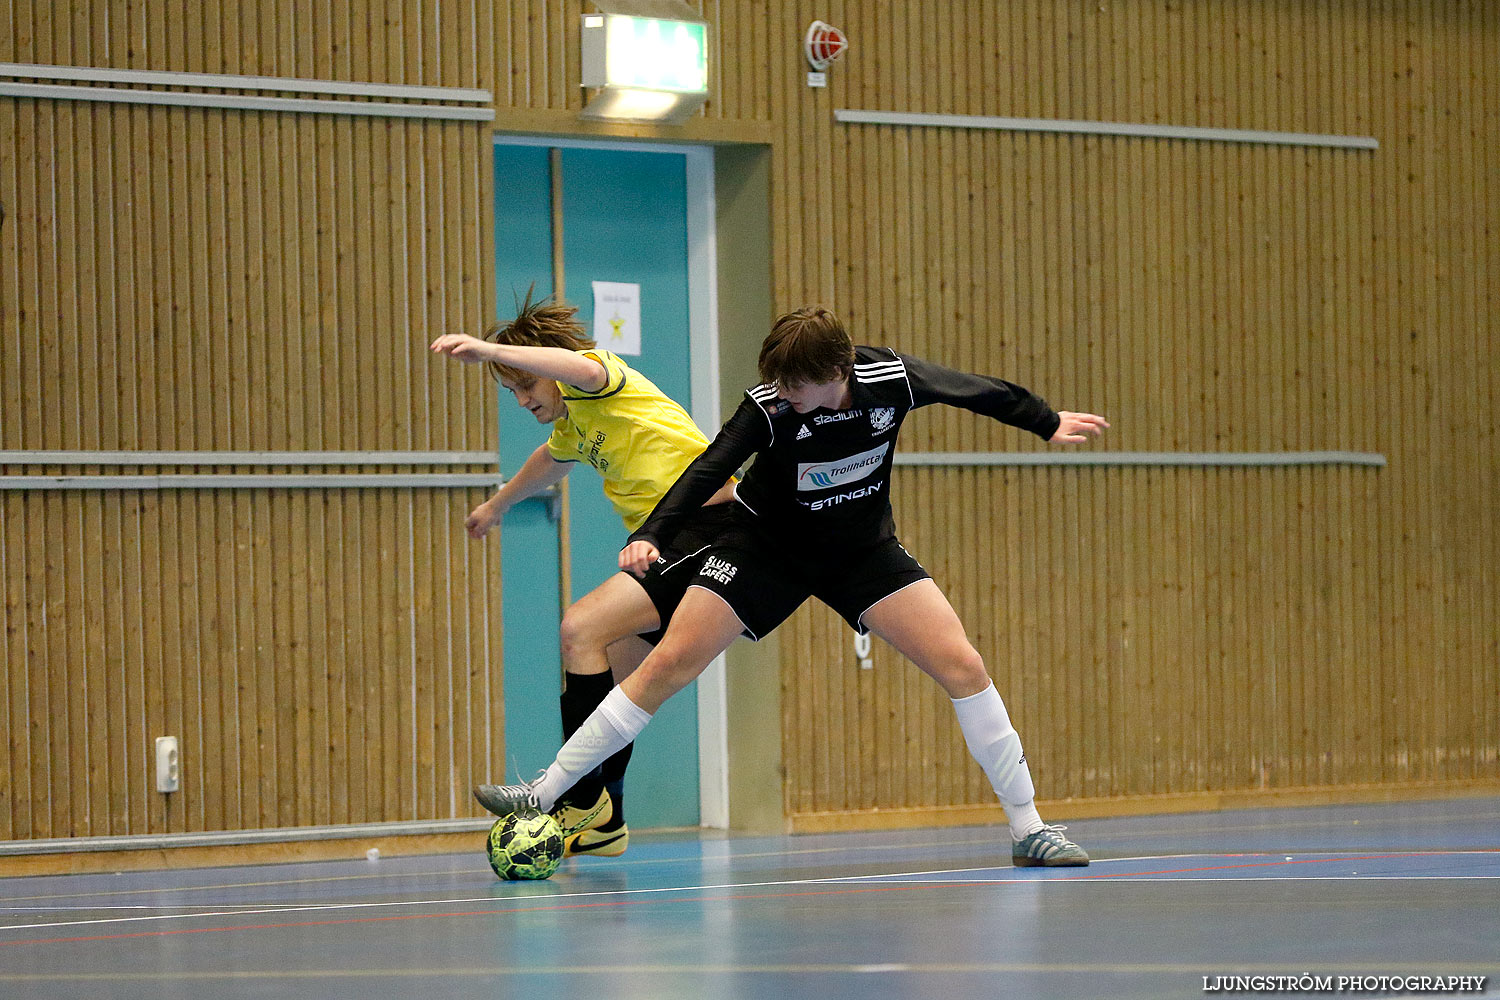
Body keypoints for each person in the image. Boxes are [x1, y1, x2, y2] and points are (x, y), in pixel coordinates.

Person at [474, 305, 1110, 867]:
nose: (783, 395)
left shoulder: (891, 380)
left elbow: (976, 391)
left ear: (838, 372)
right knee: (665, 663)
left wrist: (1045, 421)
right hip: (764, 550)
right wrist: (656, 536)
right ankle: (542, 794)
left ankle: (1030, 828)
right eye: (776, 383)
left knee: (963, 664)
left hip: (860, 552)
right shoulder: (769, 405)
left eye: (796, 386)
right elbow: (708, 468)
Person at [431, 289, 735, 858]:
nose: (522, 399)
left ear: (546, 365)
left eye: (524, 385)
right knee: (616, 691)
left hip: (711, 526)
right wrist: (497, 505)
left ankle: (576, 796)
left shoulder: (601, 376)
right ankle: (606, 820)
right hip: (666, 539)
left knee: (580, 629)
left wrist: (487, 347)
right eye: (512, 390)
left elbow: (573, 363)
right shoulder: (574, 423)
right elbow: (547, 462)